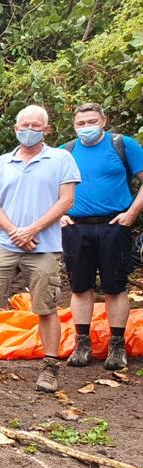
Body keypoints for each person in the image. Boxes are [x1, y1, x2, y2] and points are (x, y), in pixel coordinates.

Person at [0, 105, 80, 393]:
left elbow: (66, 201)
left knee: (46, 307)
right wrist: (15, 232)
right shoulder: (3, 162)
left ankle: (50, 367)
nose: (29, 130)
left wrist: (31, 230)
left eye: (36, 126)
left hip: (44, 247)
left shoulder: (61, 159)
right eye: (25, 125)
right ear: (15, 128)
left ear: (47, 130)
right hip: (4, 244)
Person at [60, 103, 143, 371]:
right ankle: (82, 344)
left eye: (92, 121)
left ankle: (117, 346)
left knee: (115, 287)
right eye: (81, 123)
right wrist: (59, 216)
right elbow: (47, 187)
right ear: (74, 126)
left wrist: (131, 214)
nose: (87, 127)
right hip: (76, 227)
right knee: (79, 287)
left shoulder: (122, 145)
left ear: (103, 121)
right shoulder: (65, 151)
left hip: (114, 225)